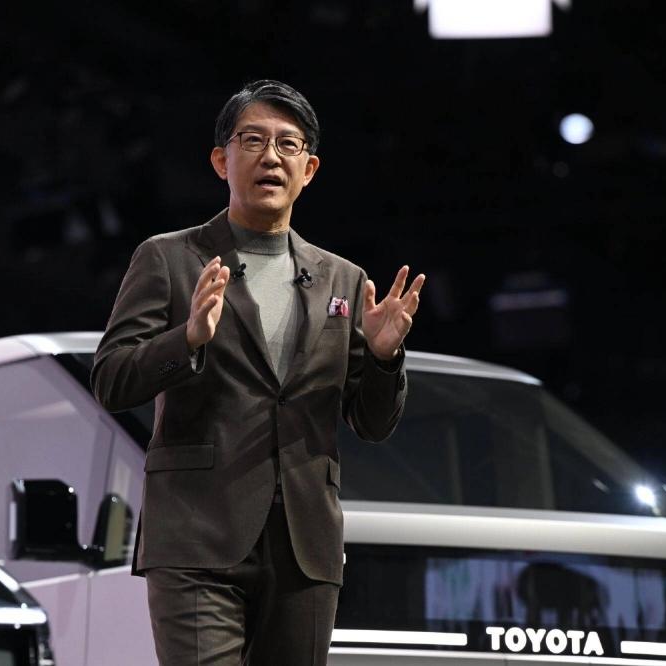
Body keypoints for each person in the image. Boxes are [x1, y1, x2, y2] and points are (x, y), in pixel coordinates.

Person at [91, 79, 425, 666]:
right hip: (196, 535)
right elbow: (112, 379)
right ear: (222, 159)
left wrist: (381, 358)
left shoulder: (343, 280)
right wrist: (186, 337)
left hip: (304, 544)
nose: (271, 156)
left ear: (310, 169)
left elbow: (371, 425)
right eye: (253, 140)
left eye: (288, 145)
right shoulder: (169, 258)